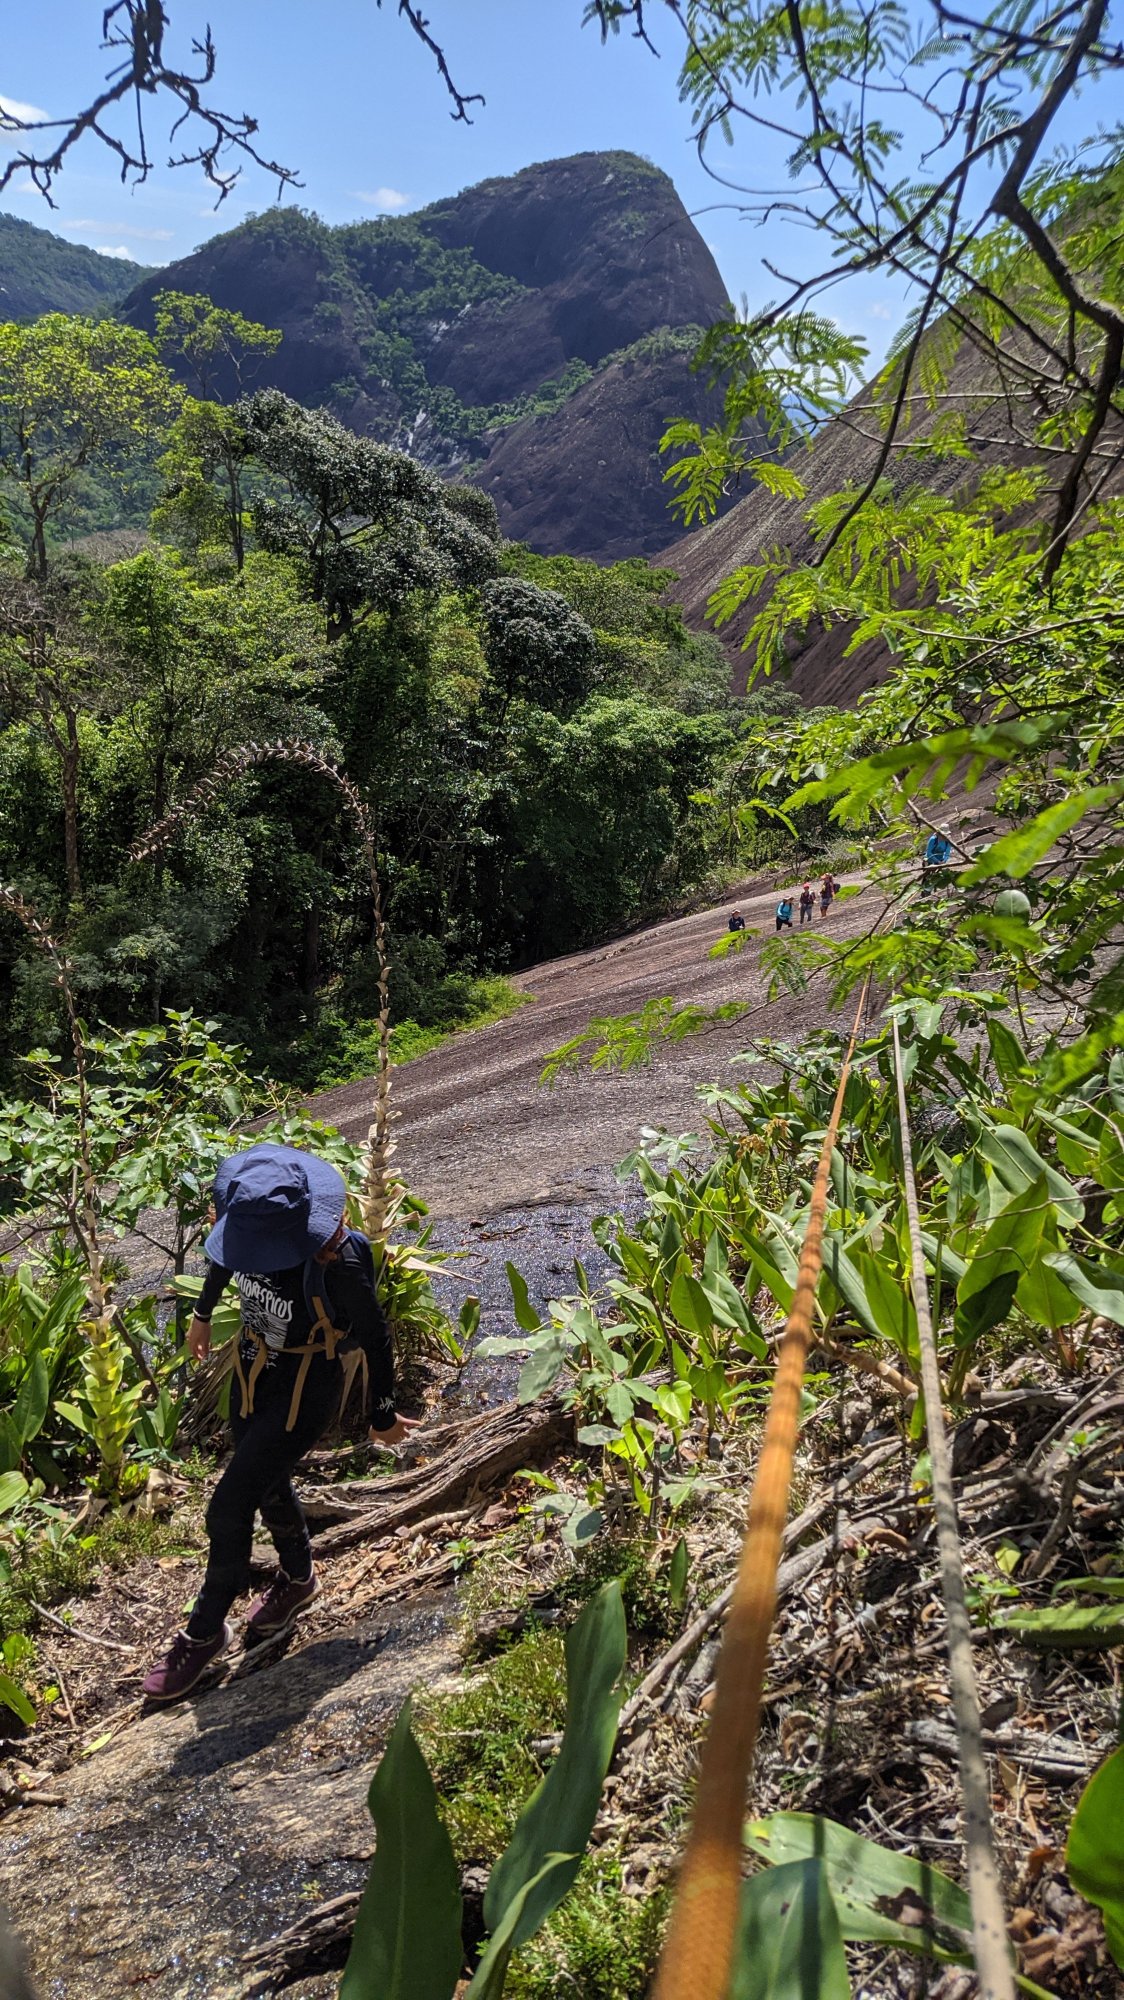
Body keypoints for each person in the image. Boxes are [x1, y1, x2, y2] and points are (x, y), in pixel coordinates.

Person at [142, 1143, 418, 1704]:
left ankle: (204, 1632)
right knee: (265, 1482)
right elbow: (227, 1253)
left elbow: (376, 1335)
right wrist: (201, 1315)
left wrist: (382, 1413)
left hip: (304, 1387)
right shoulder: (249, 1228)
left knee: (227, 1507)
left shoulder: (337, 1260)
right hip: (253, 1370)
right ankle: (298, 1578)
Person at [922, 826, 953, 892]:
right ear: (938, 833)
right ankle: (924, 891)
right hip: (928, 859)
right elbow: (929, 852)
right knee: (927, 876)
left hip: (940, 860)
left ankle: (934, 891)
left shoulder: (948, 841)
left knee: (937, 876)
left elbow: (947, 853)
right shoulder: (933, 839)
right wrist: (937, 861)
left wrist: (944, 861)